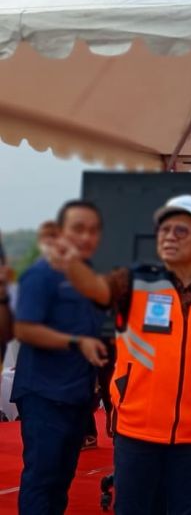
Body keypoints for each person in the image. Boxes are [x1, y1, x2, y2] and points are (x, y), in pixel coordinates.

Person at [51, 195, 191, 515]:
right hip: (137, 427)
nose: (168, 236)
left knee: (186, 509)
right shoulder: (132, 282)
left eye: (180, 231)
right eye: (163, 230)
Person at [11, 200, 108, 515]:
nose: (86, 237)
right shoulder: (41, 274)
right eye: (78, 228)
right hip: (44, 395)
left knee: (62, 480)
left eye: (93, 230)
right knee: (42, 479)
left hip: (76, 396)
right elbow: (24, 329)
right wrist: (76, 342)